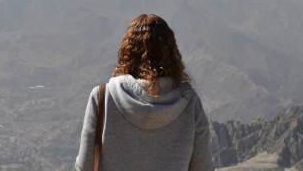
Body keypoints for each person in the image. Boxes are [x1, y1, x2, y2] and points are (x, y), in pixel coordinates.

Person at [75, 13, 214, 171]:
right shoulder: (190, 103)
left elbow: (85, 166)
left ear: (127, 53)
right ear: (172, 54)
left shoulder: (102, 98)